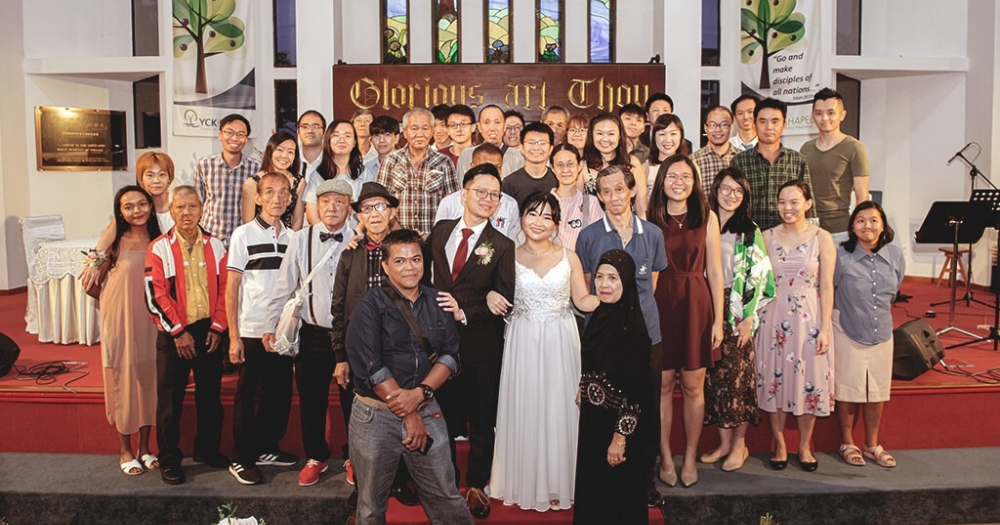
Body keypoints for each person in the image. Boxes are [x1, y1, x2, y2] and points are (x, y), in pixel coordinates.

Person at [344, 229, 474, 525]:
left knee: (447, 499)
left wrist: (420, 396)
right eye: (400, 261)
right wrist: (409, 414)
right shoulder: (368, 306)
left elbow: (451, 355)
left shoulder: (439, 301)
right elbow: (371, 366)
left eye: (416, 259)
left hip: (427, 407)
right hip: (375, 417)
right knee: (370, 507)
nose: (410, 267)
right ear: (385, 266)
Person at [489, 192, 599, 512]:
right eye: (532, 214)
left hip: (561, 341)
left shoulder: (570, 257)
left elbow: (582, 301)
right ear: (521, 218)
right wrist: (488, 298)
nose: (538, 222)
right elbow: (488, 291)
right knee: (527, 404)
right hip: (522, 340)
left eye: (547, 217)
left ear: (556, 224)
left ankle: (558, 481)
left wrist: (612, 294)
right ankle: (523, 479)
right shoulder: (505, 256)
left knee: (559, 407)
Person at [575, 164, 667, 507]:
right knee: (602, 411)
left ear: (632, 190)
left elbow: (650, 288)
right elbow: (591, 288)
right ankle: (600, 484)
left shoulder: (653, 235)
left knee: (645, 408)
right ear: (599, 196)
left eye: (619, 189)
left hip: (646, 336)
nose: (613, 197)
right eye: (606, 191)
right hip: (604, 337)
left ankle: (644, 480)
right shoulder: (589, 236)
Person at [428, 163, 516, 519]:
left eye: (494, 195)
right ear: (463, 193)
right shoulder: (440, 231)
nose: (487, 199)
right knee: (442, 420)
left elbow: (505, 297)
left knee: (481, 420)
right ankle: (446, 485)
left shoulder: (502, 244)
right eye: (481, 191)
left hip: (480, 346)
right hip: (436, 346)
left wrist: (464, 309)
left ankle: (477, 485)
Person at [263, 179, 355, 486]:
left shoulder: (359, 238)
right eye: (326, 201)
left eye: (339, 202)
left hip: (351, 336)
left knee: (353, 400)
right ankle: (317, 455)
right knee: (311, 398)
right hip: (313, 333)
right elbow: (283, 284)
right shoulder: (301, 239)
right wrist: (269, 325)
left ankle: (354, 456)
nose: (332, 207)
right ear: (317, 205)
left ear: (349, 207)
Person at [648, 155, 724, 488]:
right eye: (672, 176)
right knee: (662, 386)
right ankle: (665, 455)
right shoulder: (649, 219)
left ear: (695, 182)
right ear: (661, 180)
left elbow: (716, 272)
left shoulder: (708, 217)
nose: (679, 182)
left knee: (694, 387)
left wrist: (719, 320)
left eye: (686, 176)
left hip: (696, 302)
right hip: (660, 302)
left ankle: (690, 457)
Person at [144, 186, 229, 485]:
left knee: (210, 396)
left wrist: (219, 327)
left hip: (208, 331)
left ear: (202, 209)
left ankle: (207, 450)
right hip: (173, 332)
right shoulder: (159, 248)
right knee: (170, 400)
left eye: (193, 206)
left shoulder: (216, 246)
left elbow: (225, 292)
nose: (187, 213)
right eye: (180, 207)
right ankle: (168, 458)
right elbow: (155, 296)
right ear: (172, 210)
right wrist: (178, 332)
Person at [755, 180, 836, 472]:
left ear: (807, 203)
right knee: (774, 380)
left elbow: (826, 286)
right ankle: (779, 443)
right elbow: (758, 284)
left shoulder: (822, 237)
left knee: (808, 382)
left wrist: (825, 328)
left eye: (794, 202)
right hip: (774, 319)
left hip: (810, 321)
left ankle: (804, 445)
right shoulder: (765, 236)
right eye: (782, 202)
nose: (787, 208)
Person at [700, 168, 775, 472]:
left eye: (738, 191)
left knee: (738, 381)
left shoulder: (749, 230)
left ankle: (739, 445)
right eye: (726, 189)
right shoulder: (703, 223)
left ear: (745, 197)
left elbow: (761, 277)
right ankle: (722, 443)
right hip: (706, 305)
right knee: (714, 379)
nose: (730, 196)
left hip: (738, 310)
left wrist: (749, 318)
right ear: (715, 190)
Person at [226, 173, 298, 485]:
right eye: (270, 192)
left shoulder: (294, 237)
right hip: (252, 328)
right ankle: (241, 457)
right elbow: (232, 288)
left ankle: (268, 447)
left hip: (282, 330)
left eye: (284, 192)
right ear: (258, 198)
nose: (277, 198)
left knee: (279, 392)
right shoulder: (243, 235)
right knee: (248, 394)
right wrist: (233, 335)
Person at [573, 250, 653, 525]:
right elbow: (593, 362)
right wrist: (584, 386)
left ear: (628, 282)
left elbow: (636, 395)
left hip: (617, 429)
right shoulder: (599, 317)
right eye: (599, 277)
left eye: (613, 278)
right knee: (593, 491)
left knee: (616, 498)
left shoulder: (634, 331)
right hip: (594, 422)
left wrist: (619, 438)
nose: (604, 284)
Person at [833, 201, 904, 468]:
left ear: (883, 224)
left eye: (873, 220)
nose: (867, 226)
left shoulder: (895, 254)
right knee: (848, 389)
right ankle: (847, 442)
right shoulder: (842, 255)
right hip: (848, 328)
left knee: (877, 391)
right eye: (860, 220)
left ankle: (872, 444)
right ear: (852, 226)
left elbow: (895, 289)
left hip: (882, 331)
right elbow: (832, 287)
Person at [99, 185, 162, 476]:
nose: (136, 211)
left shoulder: (158, 237)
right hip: (119, 313)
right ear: (120, 211)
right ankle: (125, 448)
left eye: (142, 204)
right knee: (122, 376)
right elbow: (94, 265)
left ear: (150, 206)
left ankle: (145, 448)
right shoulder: (116, 237)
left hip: (150, 316)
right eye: (128, 206)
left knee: (150, 376)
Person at [79, 151, 176, 291]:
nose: (156, 180)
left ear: (169, 178)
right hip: (147, 273)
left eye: (162, 175)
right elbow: (110, 233)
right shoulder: (137, 206)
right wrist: (93, 264)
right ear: (141, 179)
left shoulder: (179, 202)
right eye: (150, 175)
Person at [730, 98, 815, 231]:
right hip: (750, 236)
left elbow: (808, 203)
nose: (769, 127)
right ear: (754, 125)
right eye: (762, 121)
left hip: (789, 236)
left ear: (784, 125)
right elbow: (732, 202)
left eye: (775, 121)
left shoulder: (797, 160)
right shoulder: (739, 161)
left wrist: (811, 236)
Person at [801, 88, 870, 243]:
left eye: (831, 113)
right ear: (813, 116)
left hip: (840, 231)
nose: (824, 118)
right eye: (818, 113)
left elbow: (862, 197)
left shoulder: (854, 148)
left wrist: (858, 231)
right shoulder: (806, 149)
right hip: (809, 229)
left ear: (842, 115)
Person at [377, 107, 460, 236]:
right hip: (397, 238)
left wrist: (435, 235)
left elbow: (454, 204)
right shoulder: (391, 161)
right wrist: (397, 230)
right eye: (414, 128)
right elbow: (380, 201)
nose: (420, 134)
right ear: (404, 132)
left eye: (425, 128)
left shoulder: (444, 162)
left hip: (434, 238)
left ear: (432, 131)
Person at [193, 113, 259, 246]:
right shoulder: (204, 165)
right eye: (229, 132)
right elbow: (197, 203)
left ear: (246, 140)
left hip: (243, 241)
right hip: (210, 240)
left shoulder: (256, 168)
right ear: (220, 135)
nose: (235, 138)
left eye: (241, 134)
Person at [434, 143, 521, 240]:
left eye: (497, 167)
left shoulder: (510, 205)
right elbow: (438, 241)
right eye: (485, 166)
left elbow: (512, 245)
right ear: (472, 166)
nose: (491, 171)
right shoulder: (449, 203)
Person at [582, 113, 648, 218]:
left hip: (627, 228)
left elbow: (641, 207)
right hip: (593, 230)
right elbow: (577, 208)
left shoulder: (632, 163)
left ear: (620, 136)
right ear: (591, 135)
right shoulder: (583, 166)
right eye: (599, 133)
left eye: (611, 134)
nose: (605, 139)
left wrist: (643, 232)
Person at [306, 120, 368, 223]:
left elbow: (368, 210)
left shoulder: (364, 173)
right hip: (325, 236)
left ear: (354, 143)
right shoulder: (317, 175)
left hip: (358, 236)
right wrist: (329, 236)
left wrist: (355, 235)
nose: (341, 140)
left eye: (347, 136)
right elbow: (312, 215)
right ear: (328, 140)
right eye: (336, 135)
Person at [241, 130, 305, 230]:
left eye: (290, 152)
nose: (284, 156)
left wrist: (291, 243)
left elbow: (298, 219)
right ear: (270, 151)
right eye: (280, 150)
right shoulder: (252, 183)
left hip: (287, 239)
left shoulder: (299, 182)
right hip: (259, 240)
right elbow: (248, 224)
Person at [551, 144, 602, 251]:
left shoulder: (591, 203)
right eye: (560, 165)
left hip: (583, 265)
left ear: (579, 166)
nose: (565, 170)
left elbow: (598, 241)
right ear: (552, 168)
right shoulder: (544, 203)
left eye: (570, 164)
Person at [456, 104, 526, 179]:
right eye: (486, 123)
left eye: (497, 122)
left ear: (505, 126)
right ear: (479, 126)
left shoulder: (517, 157)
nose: (492, 128)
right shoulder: (467, 155)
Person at [502, 122, 558, 207]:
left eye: (542, 143)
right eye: (531, 142)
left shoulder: (557, 180)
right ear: (522, 147)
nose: (536, 148)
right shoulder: (510, 183)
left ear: (550, 149)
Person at [691, 106, 737, 196]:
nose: (717, 130)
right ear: (705, 128)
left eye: (723, 125)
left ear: (731, 127)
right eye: (712, 125)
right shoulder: (693, 161)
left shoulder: (742, 159)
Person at [645, 114, 690, 205]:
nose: (668, 140)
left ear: (681, 136)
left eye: (673, 134)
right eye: (662, 134)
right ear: (654, 137)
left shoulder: (691, 167)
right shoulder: (645, 168)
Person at [362, 115, 401, 182]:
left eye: (387, 135)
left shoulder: (409, 165)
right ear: (371, 139)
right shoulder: (367, 167)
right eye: (377, 135)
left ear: (396, 138)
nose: (381, 140)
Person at [298, 110, 327, 189]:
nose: (310, 131)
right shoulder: (289, 161)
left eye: (316, 127)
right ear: (298, 132)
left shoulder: (332, 162)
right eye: (305, 127)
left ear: (324, 133)